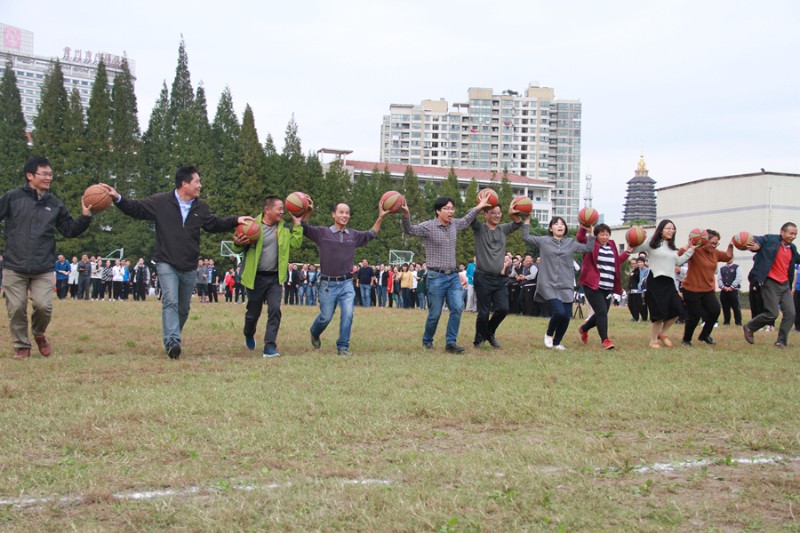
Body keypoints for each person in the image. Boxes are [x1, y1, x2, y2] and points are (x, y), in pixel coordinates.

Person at [103, 166, 252, 359]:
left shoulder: (201, 207)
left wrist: (235, 220)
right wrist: (118, 198)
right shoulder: (161, 202)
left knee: (183, 308)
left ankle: (173, 336)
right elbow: (136, 209)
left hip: (189, 265)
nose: (200, 185)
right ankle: (173, 341)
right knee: (170, 301)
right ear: (184, 183)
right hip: (166, 262)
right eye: (197, 181)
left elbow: (214, 224)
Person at [0, 156, 93, 359]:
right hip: (14, 265)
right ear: (30, 176)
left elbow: (69, 230)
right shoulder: (12, 197)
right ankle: (22, 346)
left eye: (50, 174)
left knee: (44, 306)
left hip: (43, 266)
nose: (48, 178)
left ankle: (39, 333)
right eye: (44, 174)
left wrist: (85, 217)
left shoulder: (55, 204)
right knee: (16, 308)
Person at [401, 195, 491, 352]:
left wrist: (479, 207)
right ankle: (427, 340)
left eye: (452, 208)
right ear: (438, 211)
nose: (451, 212)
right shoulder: (428, 227)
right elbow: (409, 230)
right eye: (447, 208)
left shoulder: (454, 225)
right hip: (435, 277)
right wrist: (406, 215)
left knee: (457, 308)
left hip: (453, 276)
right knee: (435, 314)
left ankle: (451, 343)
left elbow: (467, 219)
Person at [300, 200, 388, 355]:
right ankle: (315, 332)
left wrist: (380, 217)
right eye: (341, 212)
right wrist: (308, 211)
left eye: (347, 212)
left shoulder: (353, 235)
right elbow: (304, 228)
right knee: (326, 317)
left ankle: (343, 347)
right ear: (333, 214)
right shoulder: (322, 233)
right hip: (327, 284)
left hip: (347, 283)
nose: (345, 215)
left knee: (348, 314)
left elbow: (371, 234)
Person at [233, 195, 303, 357]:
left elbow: (296, 244)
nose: (282, 211)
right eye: (279, 208)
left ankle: (270, 347)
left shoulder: (284, 228)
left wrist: (298, 225)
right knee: (253, 313)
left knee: (275, 310)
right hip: (256, 278)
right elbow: (237, 248)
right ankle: (248, 333)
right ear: (267, 209)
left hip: (275, 278)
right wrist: (237, 243)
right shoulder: (251, 226)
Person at [521, 215, 595, 350]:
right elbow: (526, 237)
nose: (560, 225)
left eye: (562, 223)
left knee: (566, 316)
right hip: (547, 283)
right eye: (556, 223)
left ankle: (557, 342)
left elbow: (588, 248)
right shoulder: (544, 241)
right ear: (550, 228)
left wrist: (591, 233)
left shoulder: (570, 243)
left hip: (565, 283)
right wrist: (526, 222)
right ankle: (549, 334)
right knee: (559, 312)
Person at [629, 219, 696, 349]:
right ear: (660, 230)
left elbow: (679, 260)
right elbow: (634, 249)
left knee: (677, 309)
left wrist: (691, 249)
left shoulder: (672, 248)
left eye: (673, 229)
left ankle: (663, 333)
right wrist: (638, 236)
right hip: (655, 281)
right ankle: (653, 340)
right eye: (668, 228)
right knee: (658, 314)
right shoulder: (651, 243)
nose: (671, 231)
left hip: (669, 282)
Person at [471, 204, 522, 349]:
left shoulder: (503, 229)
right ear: (485, 215)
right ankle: (479, 339)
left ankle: (489, 332)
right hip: (482, 277)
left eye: (499, 213)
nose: (497, 216)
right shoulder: (480, 229)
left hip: (499, 279)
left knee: (503, 308)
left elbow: (518, 223)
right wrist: (480, 206)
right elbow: (470, 216)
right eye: (493, 213)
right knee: (484, 311)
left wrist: (513, 214)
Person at [742, 222, 800, 348]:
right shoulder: (771, 240)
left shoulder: (793, 248)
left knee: (791, 313)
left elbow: (797, 259)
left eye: (795, 234)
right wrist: (756, 245)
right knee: (772, 313)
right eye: (791, 233)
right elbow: (757, 240)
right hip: (770, 282)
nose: (793, 236)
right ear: (782, 232)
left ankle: (781, 341)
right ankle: (750, 327)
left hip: (785, 284)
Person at [576, 223, 629, 350]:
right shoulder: (591, 244)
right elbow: (579, 237)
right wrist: (584, 227)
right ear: (596, 235)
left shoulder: (611, 245)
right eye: (602, 234)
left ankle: (583, 329)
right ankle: (605, 340)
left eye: (607, 234)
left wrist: (628, 252)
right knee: (601, 312)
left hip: (608, 286)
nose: (605, 237)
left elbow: (617, 261)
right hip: (593, 285)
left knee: (602, 313)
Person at [679, 230, 733, 346]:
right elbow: (680, 253)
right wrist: (690, 245)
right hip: (691, 289)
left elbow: (728, 257)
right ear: (705, 241)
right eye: (712, 242)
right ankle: (686, 339)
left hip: (707, 290)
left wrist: (731, 245)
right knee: (695, 315)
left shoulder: (715, 253)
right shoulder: (696, 250)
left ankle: (704, 335)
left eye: (716, 243)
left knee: (715, 310)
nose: (714, 245)